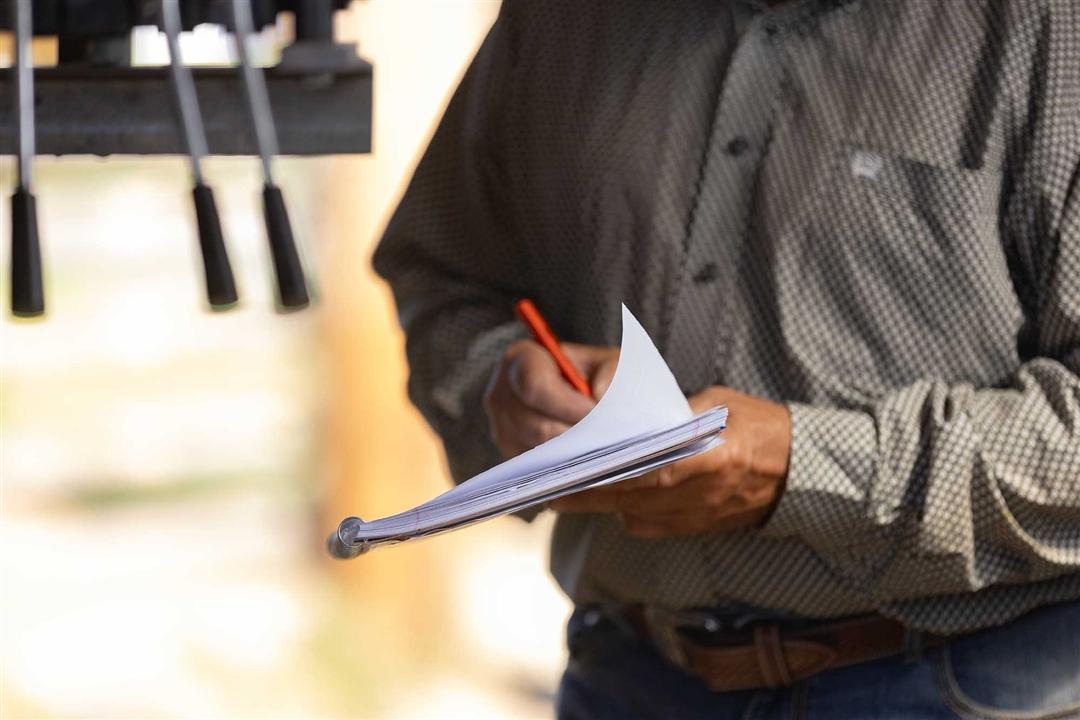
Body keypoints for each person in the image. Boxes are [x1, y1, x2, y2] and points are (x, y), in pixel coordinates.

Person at [373, 0, 1080, 717]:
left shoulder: (1048, 29)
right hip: (628, 674)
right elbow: (440, 270)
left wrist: (799, 466)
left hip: (962, 683)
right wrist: (511, 384)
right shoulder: (560, 19)